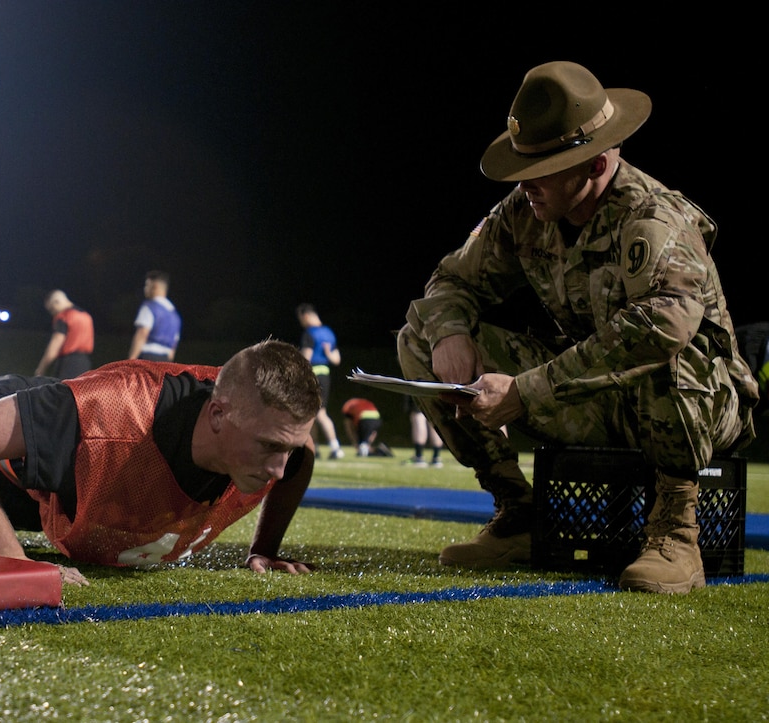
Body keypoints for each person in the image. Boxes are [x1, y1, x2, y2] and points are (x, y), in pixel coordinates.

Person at [396, 61, 758, 595]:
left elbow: (666, 323)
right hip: (598, 396)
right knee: (418, 339)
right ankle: (520, 516)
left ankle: (677, 533)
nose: (524, 184)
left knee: (666, 342)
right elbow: (449, 279)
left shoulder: (652, 218)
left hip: (702, 403)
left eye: (543, 167)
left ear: (594, 165)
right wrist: (450, 332)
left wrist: (525, 390)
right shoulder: (524, 210)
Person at [0, 339, 323, 585]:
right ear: (217, 415)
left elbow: (302, 460)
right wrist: (16, 568)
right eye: (269, 448)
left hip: (66, 488)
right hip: (12, 454)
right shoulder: (111, 414)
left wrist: (265, 550)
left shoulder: (277, 437)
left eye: (289, 448)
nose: (278, 468)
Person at [296, 303, 344, 459]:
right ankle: (314, 448)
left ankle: (335, 447)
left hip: (313, 375)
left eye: (301, 319)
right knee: (313, 414)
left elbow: (306, 358)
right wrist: (328, 353)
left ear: (306, 316)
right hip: (325, 374)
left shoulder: (310, 333)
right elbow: (336, 359)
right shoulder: (329, 333)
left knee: (319, 413)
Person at [33, 289, 94, 379]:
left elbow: (55, 343)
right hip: (84, 363)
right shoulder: (86, 316)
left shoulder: (64, 317)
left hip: (67, 363)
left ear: (56, 302)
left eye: (52, 309)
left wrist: (41, 368)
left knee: (59, 391)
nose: (52, 313)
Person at [128, 270, 181, 361]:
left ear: (155, 286)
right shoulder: (175, 315)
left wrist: (131, 359)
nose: (145, 288)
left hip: (147, 357)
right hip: (165, 361)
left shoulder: (149, 307)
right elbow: (173, 346)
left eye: (147, 285)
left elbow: (142, 334)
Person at [403, 396, 442, 468]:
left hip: (420, 390)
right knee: (434, 421)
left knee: (418, 418)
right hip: (436, 391)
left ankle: (419, 456)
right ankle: (436, 457)